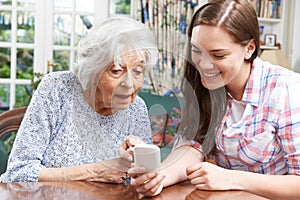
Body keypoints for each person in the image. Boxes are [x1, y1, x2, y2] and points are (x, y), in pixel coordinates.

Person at [128, 0, 300, 199]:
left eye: (218, 55)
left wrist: (231, 178)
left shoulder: (286, 91)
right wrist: (160, 176)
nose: (203, 64)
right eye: (197, 51)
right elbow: (193, 145)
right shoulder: (206, 87)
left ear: (249, 48)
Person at [0, 16, 158, 183]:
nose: (129, 84)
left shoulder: (137, 108)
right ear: (93, 69)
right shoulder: (57, 89)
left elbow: (143, 183)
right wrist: (97, 171)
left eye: (138, 71)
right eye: (117, 71)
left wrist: (140, 164)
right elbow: (18, 171)